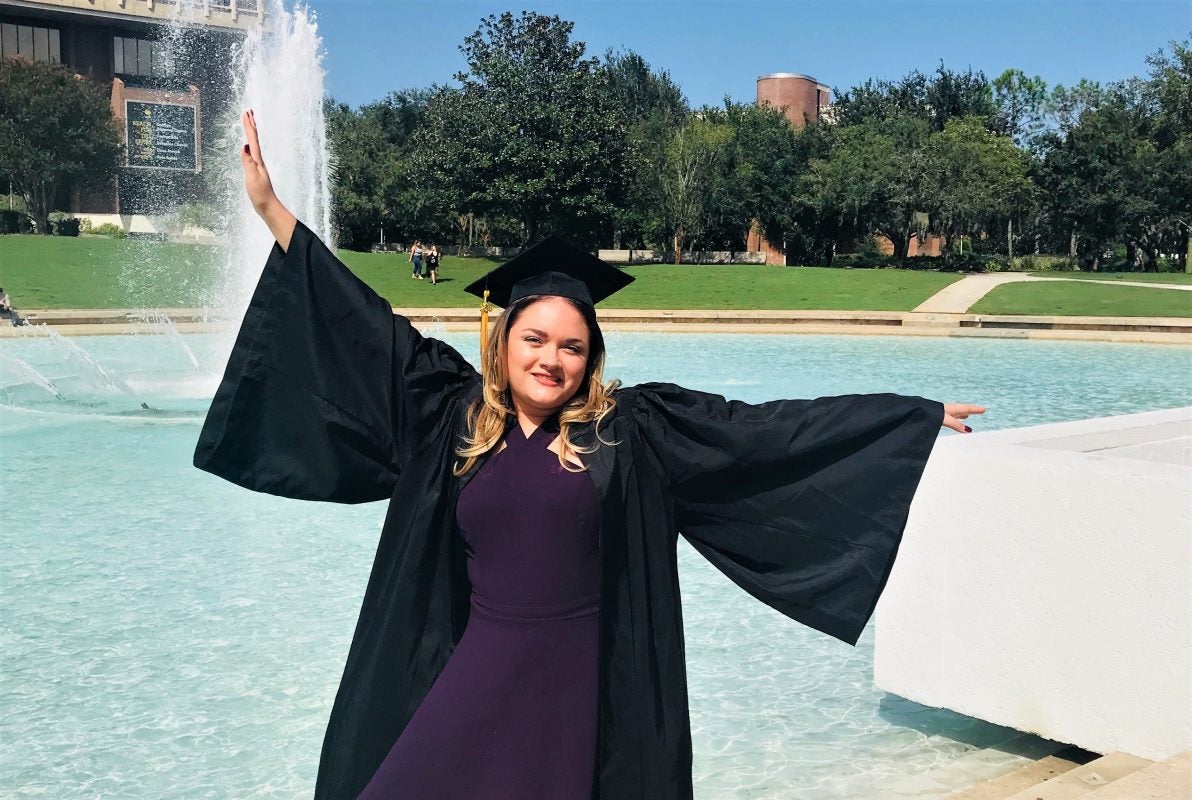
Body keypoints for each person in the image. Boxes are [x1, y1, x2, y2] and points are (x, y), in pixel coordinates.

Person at [196, 109, 985, 799]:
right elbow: (363, 326)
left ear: (591, 357)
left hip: (579, 675)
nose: (551, 359)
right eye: (534, 339)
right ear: (504, 340)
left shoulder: (633, 430)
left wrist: (903, 419)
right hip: (479, 662)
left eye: (571, 346)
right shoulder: (452, 412)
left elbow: (762, 431)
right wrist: (273, 212)